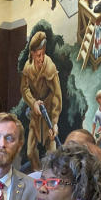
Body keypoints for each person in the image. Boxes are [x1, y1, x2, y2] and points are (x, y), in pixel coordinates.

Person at [19, 31, 61, 171]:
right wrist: (33, 103)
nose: (41, 58)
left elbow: (57, 95)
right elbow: (24, 89)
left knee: (52, 154)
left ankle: (51, 177)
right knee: (30, 152)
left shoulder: (50, 67)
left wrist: (54, 123)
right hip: (36, 115)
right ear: (32, 53)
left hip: (49, 114)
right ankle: (38, 173)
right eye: (38, 55)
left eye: (43, 54)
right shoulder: (27, 67)